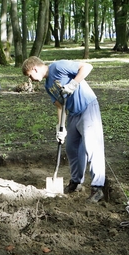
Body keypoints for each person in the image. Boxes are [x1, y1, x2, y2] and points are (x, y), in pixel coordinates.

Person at [22, 56, 105, 203]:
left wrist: (73, 84)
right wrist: (61, 127)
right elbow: (60, 106)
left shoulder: (58, 67)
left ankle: (98, 188)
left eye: (30, 75)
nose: (31, 79)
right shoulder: (48, 86)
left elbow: (87, 67)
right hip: (73, 113)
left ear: (35, 68)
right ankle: (76, 182)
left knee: (92, 148)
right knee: (72, 148)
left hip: (87, 107)